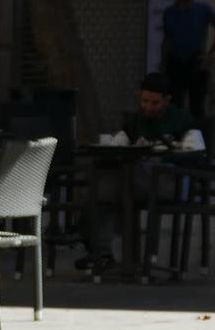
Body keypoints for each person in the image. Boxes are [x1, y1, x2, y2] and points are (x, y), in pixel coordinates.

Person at [78, 73, 191, 276]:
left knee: (106, 187)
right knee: (100, 188)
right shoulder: (135, 120)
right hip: (136, 179)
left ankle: (100, 248)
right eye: (145, 101)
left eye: (155, 103)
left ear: (167, 100)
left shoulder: (180, 120)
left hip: (168, 180)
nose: (148, 107)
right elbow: (123, 139)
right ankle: (101, 251)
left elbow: (190, 154)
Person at [161, 0, 215, 120]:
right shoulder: (169, 13)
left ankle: (198, 137)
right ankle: (177, 136)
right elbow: (166, 40)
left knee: (197, 104)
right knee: (175, 103)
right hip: (175, 62)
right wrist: (163, 64)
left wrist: (210, 54)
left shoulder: (203, 9)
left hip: (196, 61)